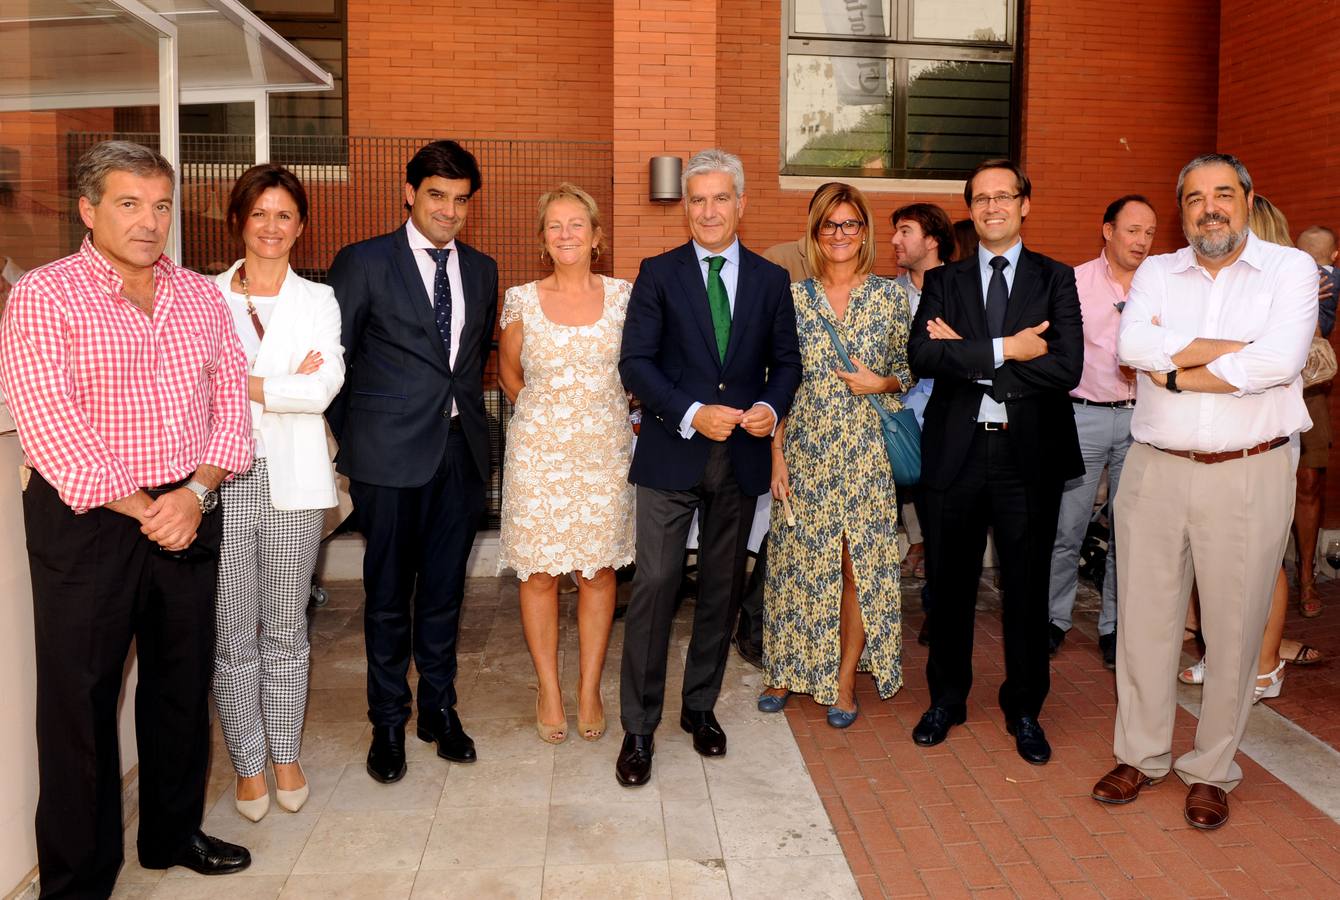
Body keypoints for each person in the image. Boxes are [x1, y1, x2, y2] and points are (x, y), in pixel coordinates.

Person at [0, 140, 253, 892]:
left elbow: (230, 409)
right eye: (129, 204)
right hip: (89, 520)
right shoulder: (45, 295)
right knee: (79, 698)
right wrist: (152, 510)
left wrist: (195, 494)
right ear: (88, 209)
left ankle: (171, 835)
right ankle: (79, 877)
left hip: (188, 503)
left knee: (180, 683)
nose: (150, 221)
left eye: (162, 204)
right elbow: (51, 426)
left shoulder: (204, 297)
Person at [1093, 154, 1315, 830]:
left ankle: (1212, 768)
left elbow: (1279, 361)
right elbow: (1134, 345)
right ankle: (1142, 754)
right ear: (1182, 208)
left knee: (1234, 628)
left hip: (1251, 468)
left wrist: (1181, 368)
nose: (1209, 208)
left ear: (1248, 198)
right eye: (1194, 198)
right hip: (1156, 468)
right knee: (1144, 622)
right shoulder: (1158, 271)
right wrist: (1234, 351)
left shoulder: (1290, 269)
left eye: (1222, 194)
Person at [616, 148, 802, 786]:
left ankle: (699, 708)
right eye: (698, 199)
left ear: (741, 203)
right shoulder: (658, 273)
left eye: (721, 198)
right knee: (656, 590)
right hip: (672, 454)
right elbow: (636, 364)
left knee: (720, 594)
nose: (709, 210)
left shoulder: (772, 281)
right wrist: (693, 412)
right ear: (686, 207)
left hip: (741, 461)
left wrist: (768, 409)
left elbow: (789, 365)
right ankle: (638, 729)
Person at [327, 140, 499, 782]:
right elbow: (335, 364)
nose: (449, 210)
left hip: (459, 456)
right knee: (388, 596)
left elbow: (470, 359)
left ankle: (438, 711)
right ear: (410, 193)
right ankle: (388, 722)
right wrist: (362, 444)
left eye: (460, 200)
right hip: (388, 461)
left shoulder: (481, 270)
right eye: (436, 195)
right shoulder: (364, 261)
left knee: (446, 594)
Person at [907, 158, 1084, 766]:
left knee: (1027, 590)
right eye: (980, 198)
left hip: (1027, 456)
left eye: (1003, 196)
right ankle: (946, 700)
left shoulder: (1056, 279)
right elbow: (924, 356)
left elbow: (1066, 367)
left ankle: (1025, 707)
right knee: (949, 586)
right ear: (970, 209)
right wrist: (1008, 351)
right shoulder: (944, 282)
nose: (991, 207)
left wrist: (972, 358)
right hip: (955, 456)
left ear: (1025, 204)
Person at [212, 164, 345, 821]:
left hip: (294, 482)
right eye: (259, 213)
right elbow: (193, 388)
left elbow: (321, 391)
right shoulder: (204, 298)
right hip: (222, 478)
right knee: (233, 631)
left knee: (287, 626)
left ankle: (285, 751)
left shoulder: (317, 301)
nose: (271, 227)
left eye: (284, 215)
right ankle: (247, 762)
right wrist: (284, 381)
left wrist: (245, 383)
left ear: (302, 227)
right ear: (239, 219)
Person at [758, 182, 911, 726]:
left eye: (851, 224)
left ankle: (844, 679)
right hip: (803, 447)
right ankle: (785, 667)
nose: (841, 235)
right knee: (795, 565)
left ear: (865, 231)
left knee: (856, 567)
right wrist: (775, 454)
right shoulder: (792, 299)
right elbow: (774, 381)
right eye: (830, 225)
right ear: (815, 233)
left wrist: (883, 382)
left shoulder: (892, 297)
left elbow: (909, 371)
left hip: (866, 451)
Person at [497, 183, 634, 744]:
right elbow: (508, 374)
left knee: (598, 573)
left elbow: (642, 366)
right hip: (538, 455)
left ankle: (589, 688)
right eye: (555, 226)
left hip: (604, 453)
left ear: (597, 236)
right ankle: (550, 688)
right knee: (539, 574)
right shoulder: (520, 299)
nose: (567, 234)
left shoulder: (626, 297)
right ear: (543, 240)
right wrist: (545, 418)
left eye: (577, 224)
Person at [1047, 195, 1156, 669]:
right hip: (1083, 416)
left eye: (1150, 233)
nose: (1142, 241)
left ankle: (1115, 627)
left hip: (1143, 420)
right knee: (1066, 527)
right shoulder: (1072, 282)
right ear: (1108, 230)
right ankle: (1053, 619)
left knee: (1129, 533)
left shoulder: (1161, 285)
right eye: (1133, 230)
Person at [889, 203, 954, 615]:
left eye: (906, 231)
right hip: (895, 423)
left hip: (946, 422)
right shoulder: (886, 294)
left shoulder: (961, 288)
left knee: (941, 523)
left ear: (932, 241)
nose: (895, 240)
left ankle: (938, 610)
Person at [1293, 224, 1338, 617]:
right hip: (1262, 387)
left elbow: (1323, 332)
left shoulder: (1324, 281)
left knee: (1309, 480)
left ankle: (1306, 576)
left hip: (1308, 387)